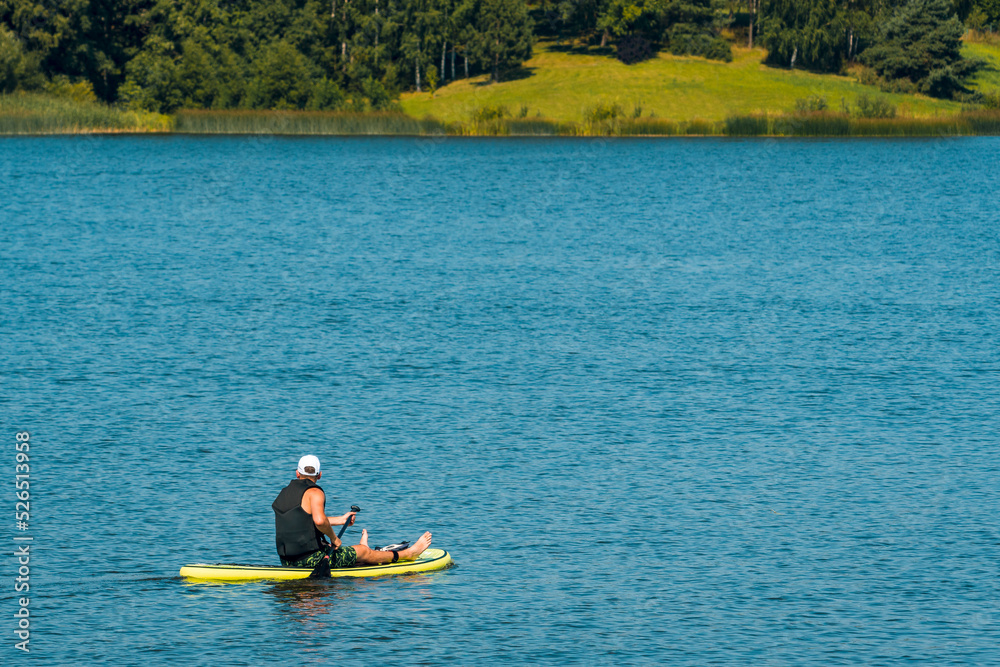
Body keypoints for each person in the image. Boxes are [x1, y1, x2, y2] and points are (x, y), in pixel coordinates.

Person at [272, 454, 432, 570]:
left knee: (355, 556)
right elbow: (319, 521)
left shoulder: (284, 493)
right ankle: (409, 553)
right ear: (319, 475)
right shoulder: (315, 492)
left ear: (297, 473)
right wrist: (334, 539)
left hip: (287, 561)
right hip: (311, 560)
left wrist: (341, 520)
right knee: (362, 551)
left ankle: (369, 556)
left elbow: (304, 519)